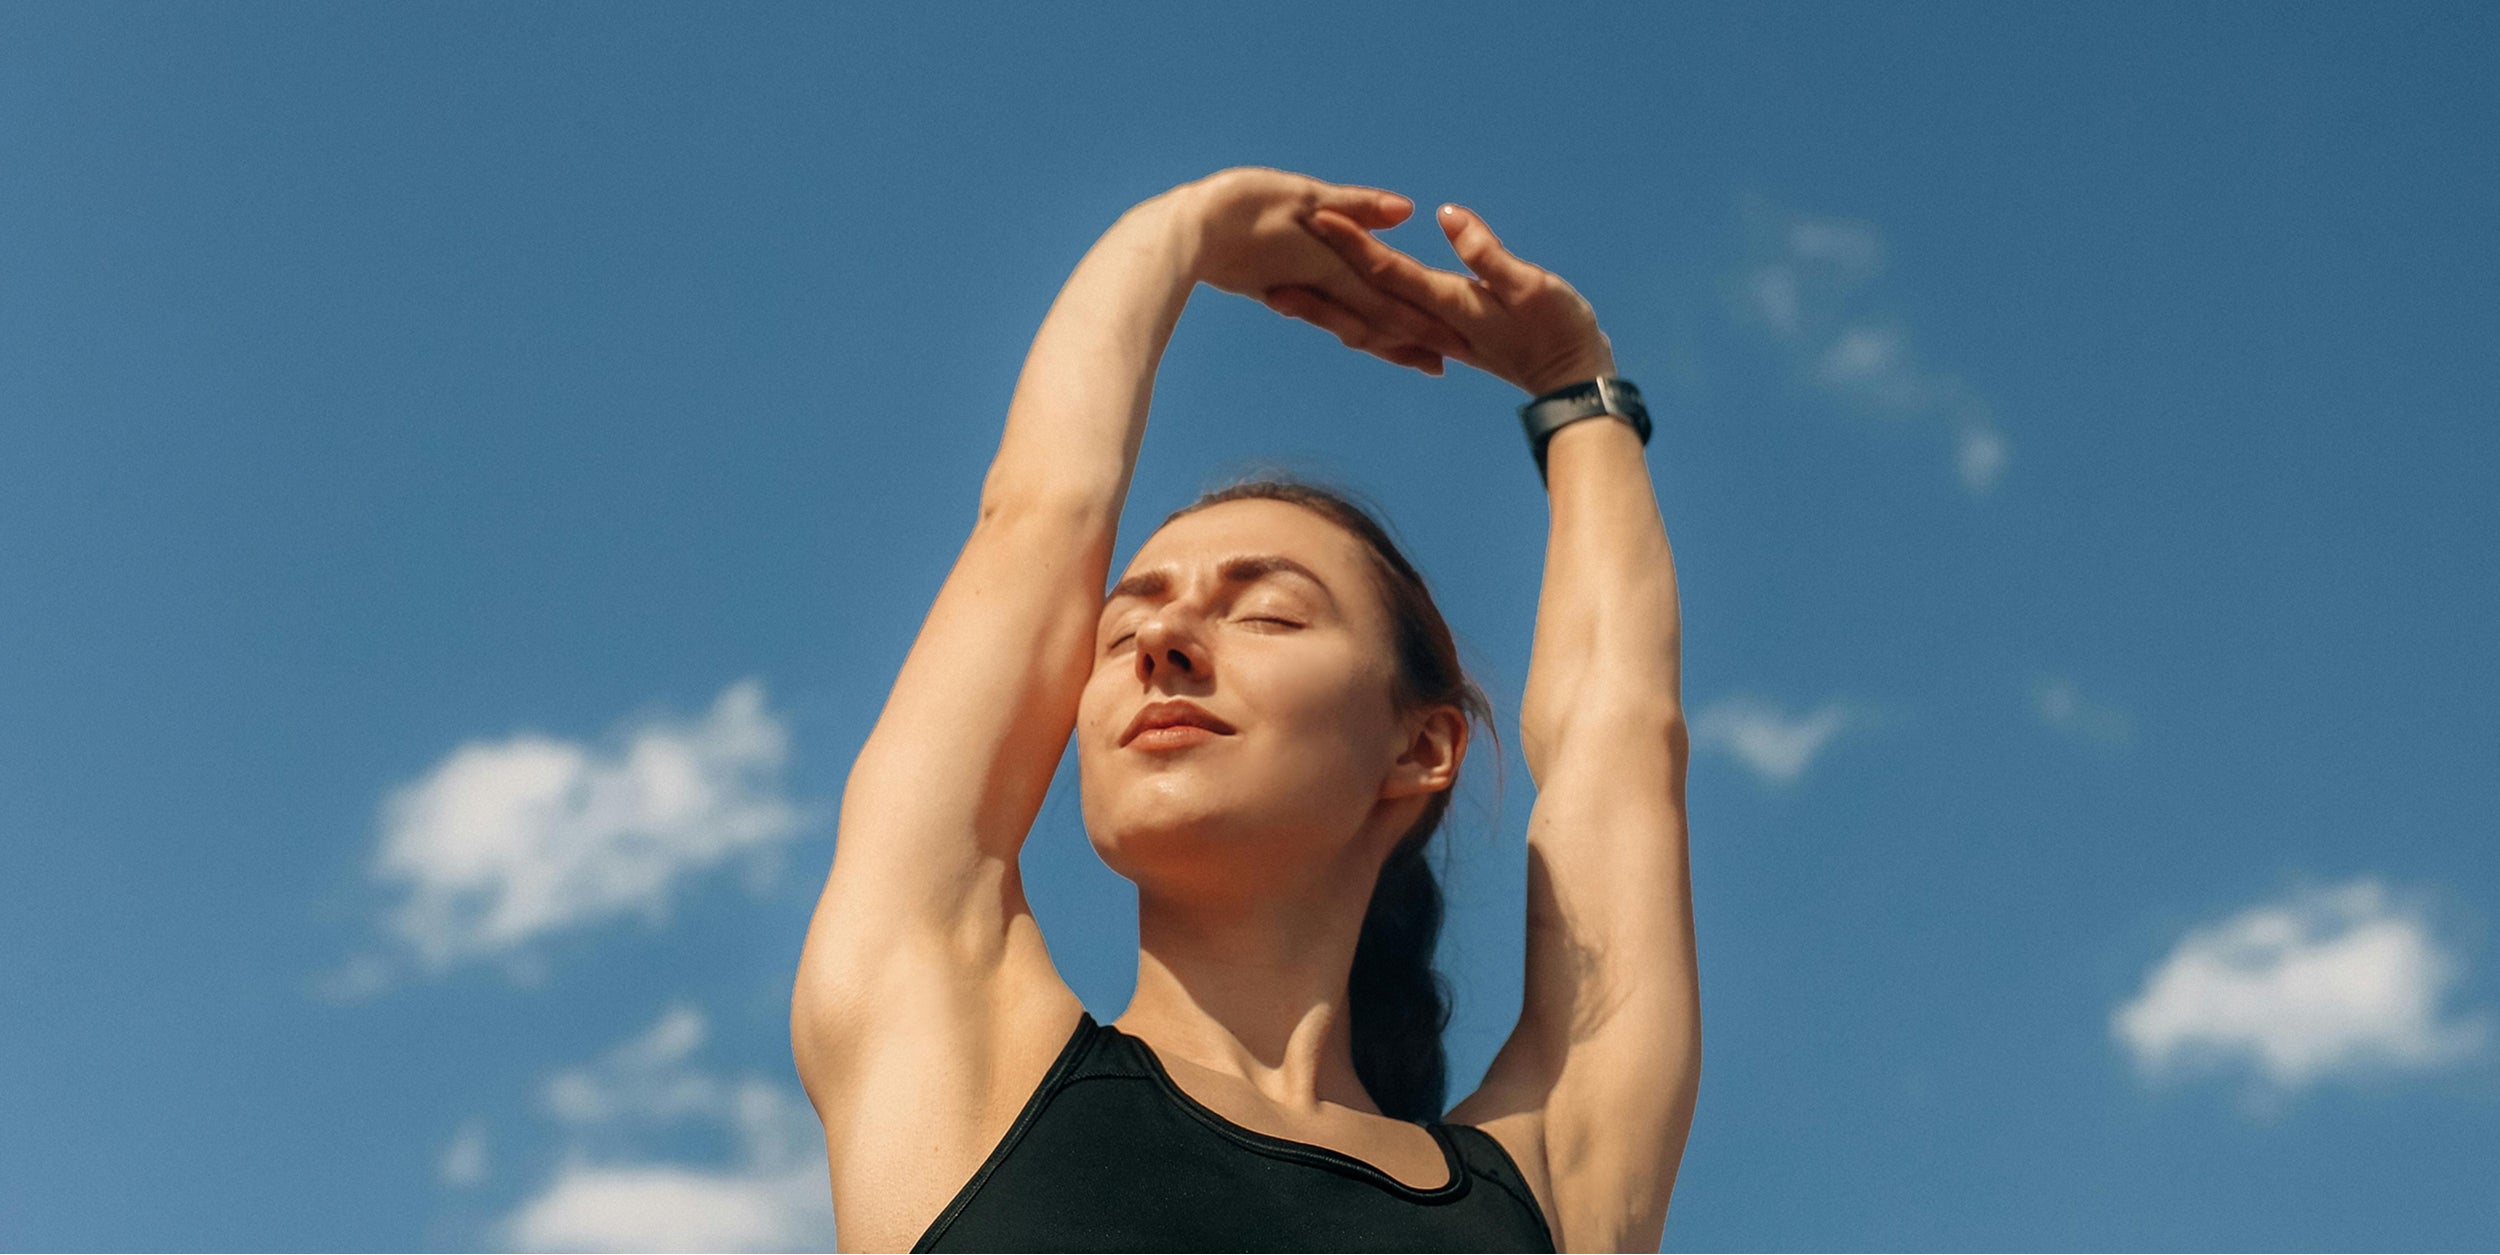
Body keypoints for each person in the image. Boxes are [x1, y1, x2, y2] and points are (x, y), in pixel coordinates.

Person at [792, 167, 1698, 1252]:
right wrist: (1175, 234)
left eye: (1266, 614)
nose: (1163, 645)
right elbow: (1039, 513)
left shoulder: (1551, 1183)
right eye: (1121, 631)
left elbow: (1621, 739)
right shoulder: (948, 1040)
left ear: (1422, 745)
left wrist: (1576, 388)